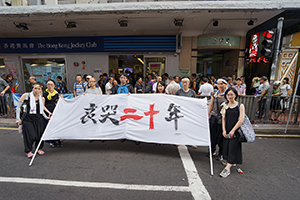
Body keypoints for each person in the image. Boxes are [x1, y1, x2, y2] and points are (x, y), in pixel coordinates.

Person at [16, 82, 50, 158]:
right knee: (30, 135)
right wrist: (18, 119)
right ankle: (28, 151)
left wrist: (46, 117)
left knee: (39, 135)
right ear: (32, 89)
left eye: (39, 89)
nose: (37, 90)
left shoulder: (42, 98)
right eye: (35, 88)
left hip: (39, 119)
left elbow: (41, 110)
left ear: (41, 90)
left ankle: (39, 148)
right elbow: (18, 108)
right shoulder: (26, 95)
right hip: (28, 119)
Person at [219, 87, 245, 178]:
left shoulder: (240, 105)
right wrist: (224, 130)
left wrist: (233, 130)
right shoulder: (225, 105)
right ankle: (230, 162)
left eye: (231, 94)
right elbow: (223, 118)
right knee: (227, 147)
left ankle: (228, 168)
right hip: (227, 129)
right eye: (228, 95)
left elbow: (241, 120)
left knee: (233, 147)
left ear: (235, 95)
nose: (230, 96)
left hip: (236, 130)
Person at [208, 78, 228, 161]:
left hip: (224, 118)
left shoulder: (228, 94)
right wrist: (208, 115)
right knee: (212, 135)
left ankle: (221, 153)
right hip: (214, 117)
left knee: (221, 136)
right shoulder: (215, 94)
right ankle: (212, 151)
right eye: (218, 84)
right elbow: (211, 105)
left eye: (221, 84)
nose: (219, 85)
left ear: (225, 84)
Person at [43, 79, 60, 147]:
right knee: (48, 126)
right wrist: (48, 112)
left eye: (51, 84)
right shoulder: (44, 93)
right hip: (47, 111)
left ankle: (56, 140)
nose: (50, 86)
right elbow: (43, 105)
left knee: (55, 126)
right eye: (48, 84)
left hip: (54, 111)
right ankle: (50, 141)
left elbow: (57, 102)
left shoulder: (56, 93)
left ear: (54, 86)